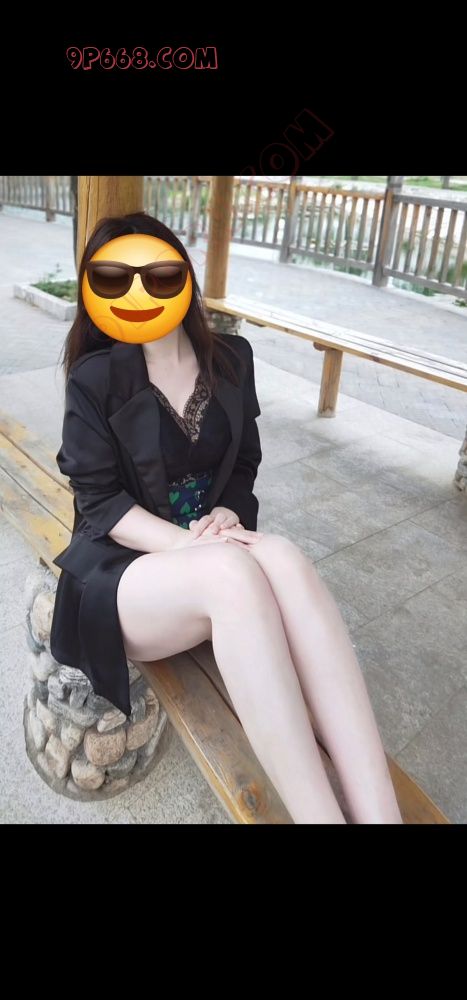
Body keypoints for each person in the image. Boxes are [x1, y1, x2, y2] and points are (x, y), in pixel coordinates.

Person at [51, 211, 403, 825]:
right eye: (115, 280)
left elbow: (243, 465)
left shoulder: (232, 359)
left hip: (209, 543)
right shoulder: (96, 378)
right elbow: (100, 503)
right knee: (233, 576)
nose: (140, 292)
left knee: (285, 557)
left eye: (158, 275)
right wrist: (192, 546)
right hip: (122, 571)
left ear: (183, 277)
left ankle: (381, 814)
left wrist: (225, 513)